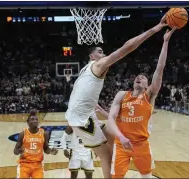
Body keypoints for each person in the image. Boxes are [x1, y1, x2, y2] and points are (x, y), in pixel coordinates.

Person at [65, 15, 169, 178]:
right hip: (82, 119)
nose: (104, 54)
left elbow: (112, 118)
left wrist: (96, 107)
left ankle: (125, 157)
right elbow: (127, 47)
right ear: (92, 57)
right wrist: (154, 30)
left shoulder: (85, 69)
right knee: (107, 154)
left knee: (113, 139)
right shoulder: (98, 65)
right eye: (100, 52)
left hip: (87, 114)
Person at [108, 27, 177, 178]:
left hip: (141, 144)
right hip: (121, 144)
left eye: (143, 77)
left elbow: (160, 68)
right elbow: (111, 118)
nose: (139, 78)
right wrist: (121, 137)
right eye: (137, 77)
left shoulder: (149, 95)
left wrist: (165, 42)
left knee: (146, 176)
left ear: (147, 85)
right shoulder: (121, 95)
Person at [14, 110, 58, 178]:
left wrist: (51, 151)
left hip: (38, 165)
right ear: (28, 122)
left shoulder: (44, 133)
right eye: (32, 119)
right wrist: (18, 151)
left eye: (36, 119)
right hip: (24, 164)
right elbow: (15, 151)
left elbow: (46, 149)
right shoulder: (23, 134)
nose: (35, 121)